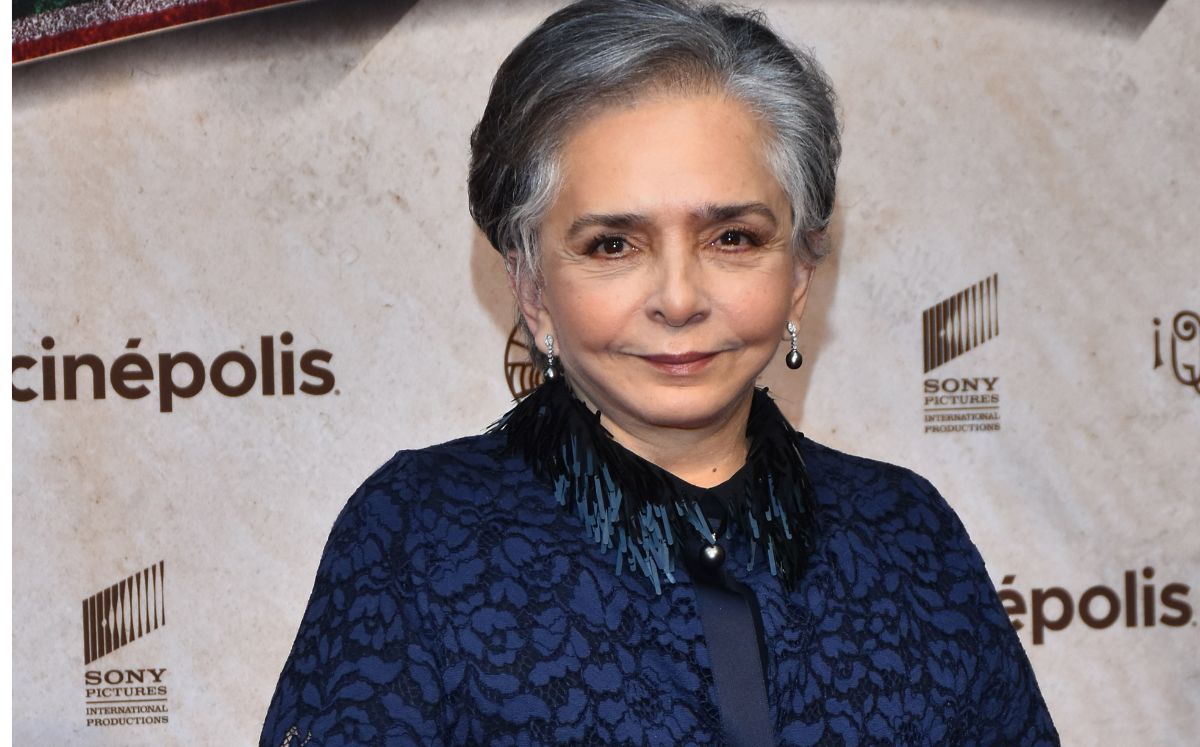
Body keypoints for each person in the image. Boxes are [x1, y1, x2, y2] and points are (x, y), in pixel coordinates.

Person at [261, 1, 1059, 744]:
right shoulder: (417, 534)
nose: (679, 299)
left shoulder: (907, 532)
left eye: (733, 238)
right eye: (613, 244)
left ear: (800, 272)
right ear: (532, 288)